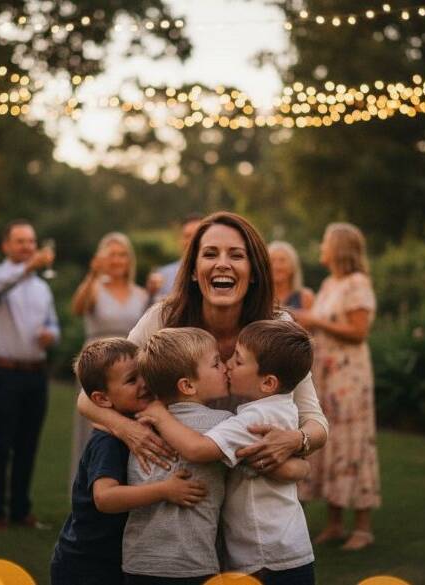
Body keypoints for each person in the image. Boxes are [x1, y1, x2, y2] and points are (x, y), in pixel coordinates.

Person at [77, 211, 329, 476]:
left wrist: (297, 441)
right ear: (194, 272)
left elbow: (316, 422)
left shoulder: (277, 325)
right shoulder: (164, 318)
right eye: (210, 254)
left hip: (247, 491)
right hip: (181, 482)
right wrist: (129, 430)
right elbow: (88, 398)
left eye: (236, 255)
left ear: (254, 272)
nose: (222, 264)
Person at [140, 320, 315, 585]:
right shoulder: (281, 408)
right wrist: (301, 468)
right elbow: (293, 467)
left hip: (265, 555)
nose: (228, 364)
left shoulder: (255, 419)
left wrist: (160, 416)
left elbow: (198, 449)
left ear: (268, 382)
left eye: (238, 360)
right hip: (284, 547)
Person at [51, 338, 208, 585]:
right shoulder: (108, 442)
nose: (144, 383)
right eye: (131, 380)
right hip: (86, 564)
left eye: (145, 373)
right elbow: (105, 498)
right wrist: (165, 490)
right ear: (102, 400)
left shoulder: (145, 421)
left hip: (116, 559)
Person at [293, 222, 381, 551]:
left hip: (349, 377)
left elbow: (359, 332)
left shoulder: (357, 284)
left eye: (326, 241)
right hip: (326, 374)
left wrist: (313, 320)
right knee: (331, 444)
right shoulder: (330, 283)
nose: (321, 246)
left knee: (353, 444)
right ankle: (334, 523)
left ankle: (362, 527)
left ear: (340, 248)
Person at [121, 327, 232, 584]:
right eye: (216, 363)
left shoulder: (140, 427)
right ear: (187, 385)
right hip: (191, 564)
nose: (225, 367)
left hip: (138, 562)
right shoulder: (223, 424)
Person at [0, 219, 59, 531]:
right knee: (1, 443)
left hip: (36, 375)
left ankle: (20, 509)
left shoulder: (42, 288)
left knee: (29, 444)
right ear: (6, 246)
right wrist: (27, 268)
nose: (28, 247)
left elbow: (54, 323)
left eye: (31, 241)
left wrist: (51, 334)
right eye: (21, 241)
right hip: (3, 373)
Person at [69, 232, 149, 485]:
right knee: (93, 422)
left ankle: (122, 483)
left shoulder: (140, 293)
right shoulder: (93, 287)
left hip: (130, 365)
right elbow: (77, 308)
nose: (117, 260)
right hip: (96, 362)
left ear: (129, 260)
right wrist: (93, 275)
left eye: (122, 255)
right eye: (112, 255)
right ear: (102, 259)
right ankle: (86, 484)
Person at [146, 213, 203, 304]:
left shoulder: (215, 273)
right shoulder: (162, 275)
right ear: (180, 240)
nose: (192, 241)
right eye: (187, 236)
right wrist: (151, 295)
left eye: (197, 236)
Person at [269, 241, 314, 311]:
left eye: (282, 261)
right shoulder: (259, 297)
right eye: (272, 260)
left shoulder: (305, 297)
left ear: (293, 266)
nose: (276, 266)